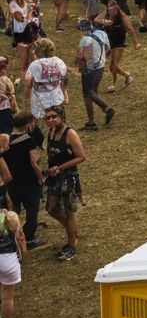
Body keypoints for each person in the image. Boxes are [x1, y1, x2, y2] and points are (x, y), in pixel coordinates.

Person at [43, 105, 86, 261]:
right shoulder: (51, 132)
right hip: (54, 177)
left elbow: (81, 156)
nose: (51, 120)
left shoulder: (70, 133)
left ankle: (72, 245)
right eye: (47, 117)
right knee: (51, 208)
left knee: (69, 212)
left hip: (68, 177)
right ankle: (71, 230)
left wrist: (60, 168)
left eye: (54, 116)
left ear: (61, 116)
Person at [2, 112, 45, 249]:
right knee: (32, 212)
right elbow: (34, 162)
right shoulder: (28, 140)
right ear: (28, 124)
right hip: (29, 182)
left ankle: (10, 237)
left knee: (12, 212)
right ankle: (29, 238)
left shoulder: (5, 140)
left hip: (11, 184)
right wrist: (40, 178)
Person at [75, 18, 114, 129]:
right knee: (92, 93)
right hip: (100, 67)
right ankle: (91, 122)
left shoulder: (85, 39)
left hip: (90, 69)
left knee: (88, 93)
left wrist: (79, 64)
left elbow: (84, 57)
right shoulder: (102, 33)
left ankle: (106, 109)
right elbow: (108, 49)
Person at [23, 38, 69, 122]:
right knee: (58, 118)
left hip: (40, 98)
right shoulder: (59, 61)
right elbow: (64, 79)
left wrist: (25, 98)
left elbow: (28, 83)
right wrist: (65, 94)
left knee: (42, 120)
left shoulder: (35, 65)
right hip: (57, 96)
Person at [100, 0, 139, 91]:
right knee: (112, 67)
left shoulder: (122, 16)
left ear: (117, 7)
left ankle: (127, 76)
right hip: (110, 43)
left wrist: (136, 43)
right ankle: (114, 83)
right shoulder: (106, 14)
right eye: (109, 6)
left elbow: (131, 30)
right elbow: (96, 19)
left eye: (113, 6)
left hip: (118, 43)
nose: (111, 8)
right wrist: (104, 22)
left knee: (113, 65)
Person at [0, 201, 26, 318]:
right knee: (7, 298)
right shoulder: (11, 217)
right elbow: (20, 238)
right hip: (8, 260)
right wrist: (22, 254)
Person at [0, 56, 17, 136]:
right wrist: (15, 109)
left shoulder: (6, 79)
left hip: (5, 110)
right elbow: (12, 96)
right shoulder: (6, 80)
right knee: (6, 133)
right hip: (5, 110)